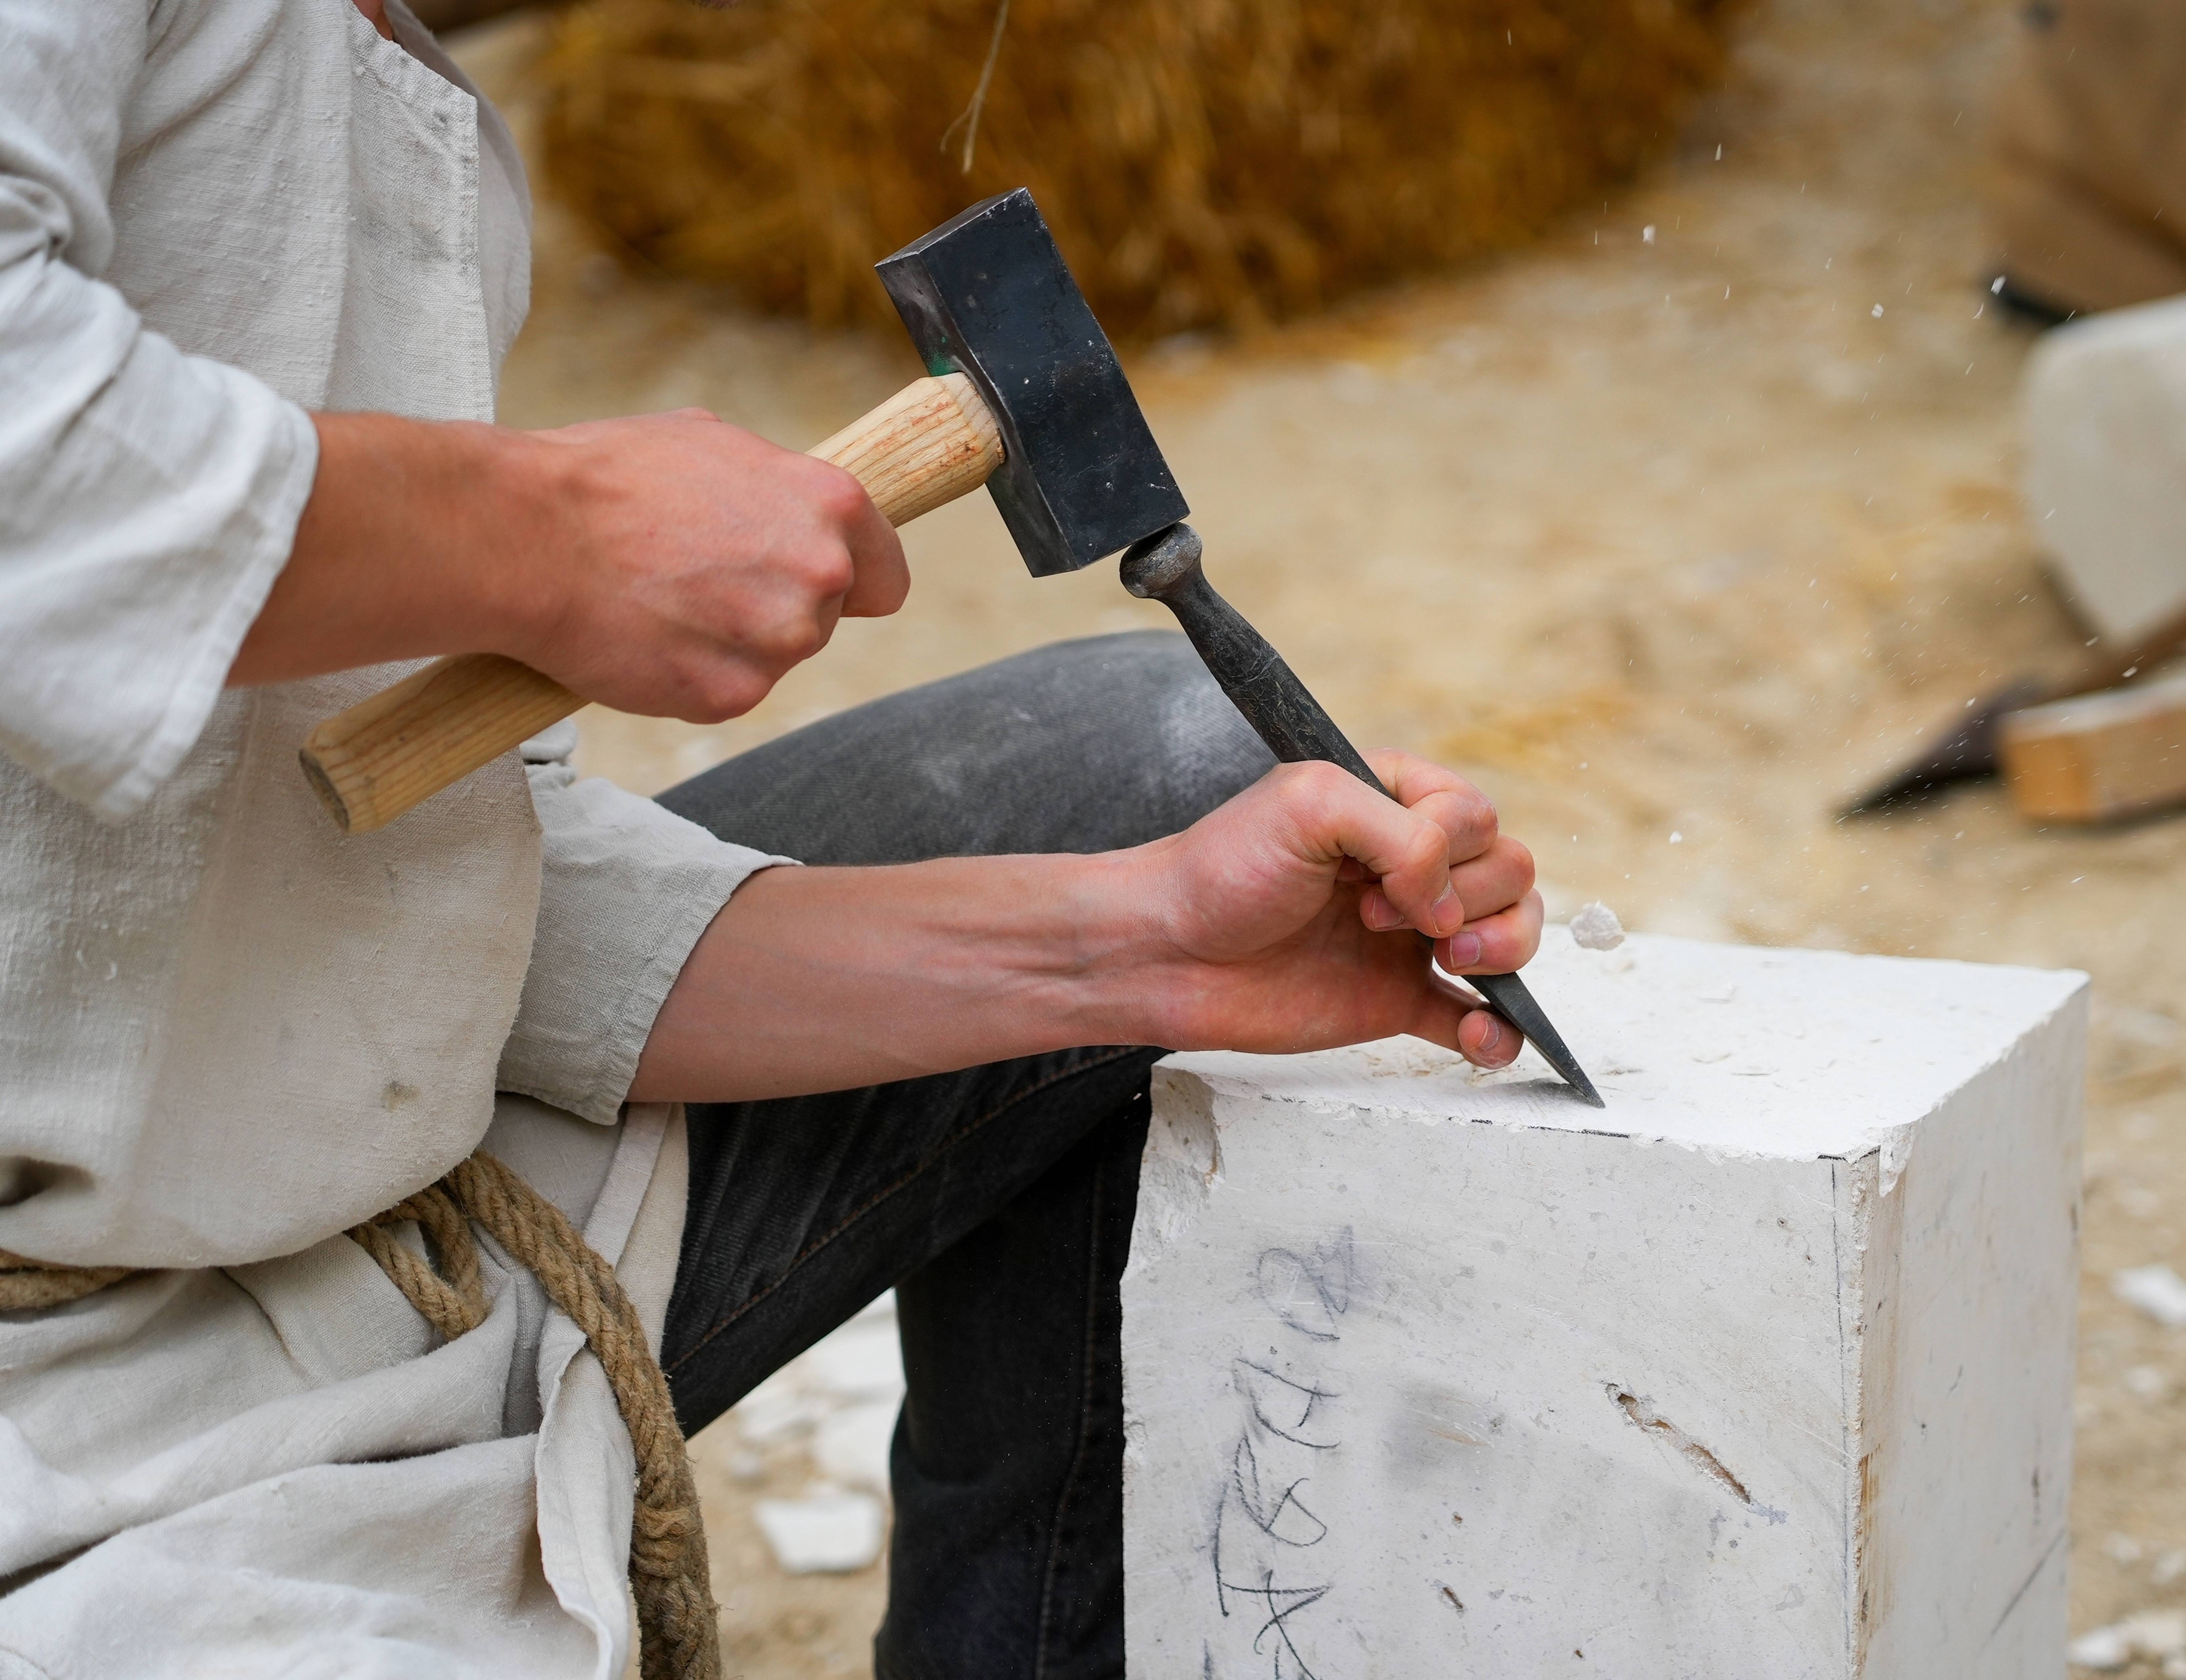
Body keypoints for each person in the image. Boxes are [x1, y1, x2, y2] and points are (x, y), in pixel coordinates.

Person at [0, 3, 1545, 1676]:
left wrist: (1142, 945)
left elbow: (369, 899)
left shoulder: (383, 95)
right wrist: (547, 536)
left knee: (1150, 764)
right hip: (66, 1397)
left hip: (304, 1183)